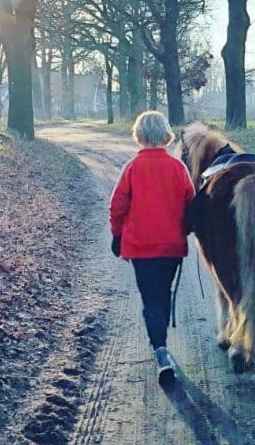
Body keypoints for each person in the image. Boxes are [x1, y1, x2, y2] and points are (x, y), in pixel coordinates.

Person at [109, 111, 194, 384]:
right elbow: (191, 204)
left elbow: (117, 205)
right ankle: (162, 345)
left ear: (140, 136)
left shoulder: (132, 168)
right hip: (170, 246)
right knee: (163, 293)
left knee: (150, 299)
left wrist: (117, 235)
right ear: (166, 134)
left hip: (140, 248)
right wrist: (185, 229)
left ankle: (160, 350)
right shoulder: (178, 168)